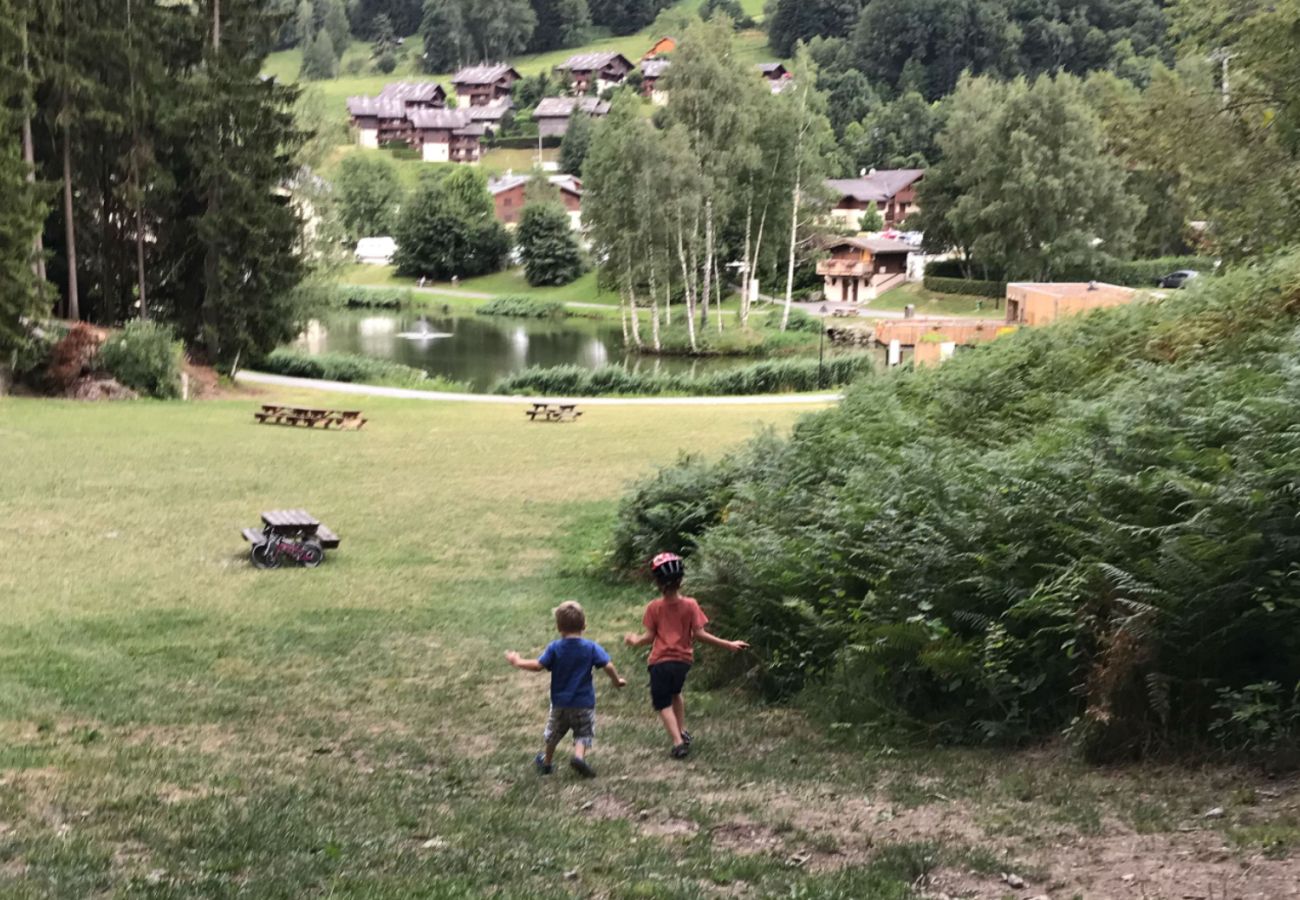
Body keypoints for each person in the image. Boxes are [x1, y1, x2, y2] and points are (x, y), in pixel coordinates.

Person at [624, 553, 749, 759]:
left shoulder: (654, 607)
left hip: (660, 663)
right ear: (681, 580)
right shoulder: (691, 604)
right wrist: (728, 644)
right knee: (675, 693)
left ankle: (677, 741)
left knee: (662, 703)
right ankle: (681, 731)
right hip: (683, 662)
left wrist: (634, 640)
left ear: (657, 582)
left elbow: (649, 637)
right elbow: (700, 634)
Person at [506, 601, 626, 778]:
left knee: (554, 732)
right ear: (584, 625)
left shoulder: (555, 648)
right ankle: (579, 757)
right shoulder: (591, 647)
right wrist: (617, 680)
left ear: (558, 627)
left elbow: (538, 665)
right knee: (583, 731)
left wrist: (518, 661)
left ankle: (546, 762)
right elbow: (607, 665)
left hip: (560, 702)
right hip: (584, 702)